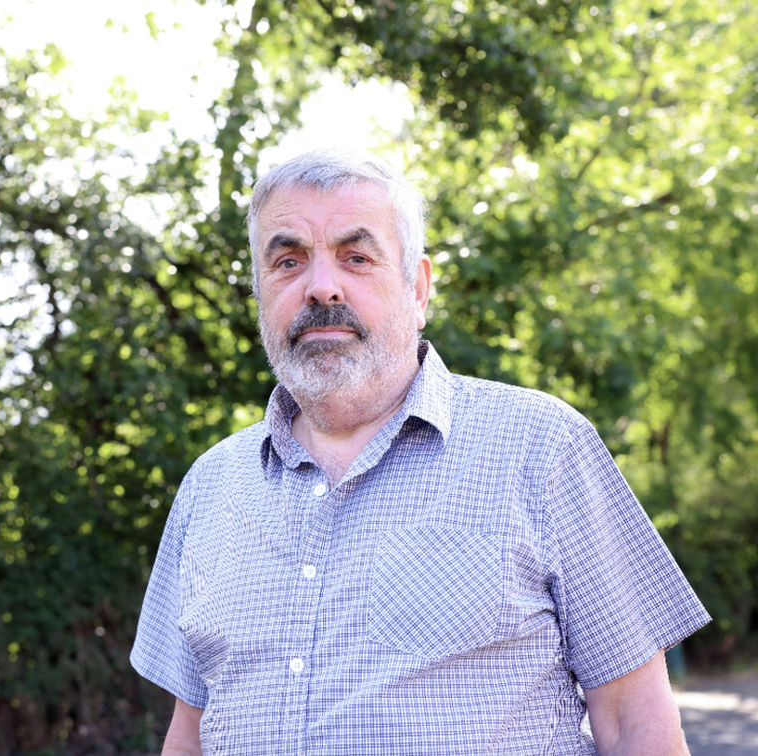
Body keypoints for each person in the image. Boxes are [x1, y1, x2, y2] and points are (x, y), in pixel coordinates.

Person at [130, 148, 710, 756]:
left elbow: (634, 723)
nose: (321, 286)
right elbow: (189, 735)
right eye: (287, 261)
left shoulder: (542, 447)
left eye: (357, 257)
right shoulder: (209, 486)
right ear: (259, 292)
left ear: (419, 287)